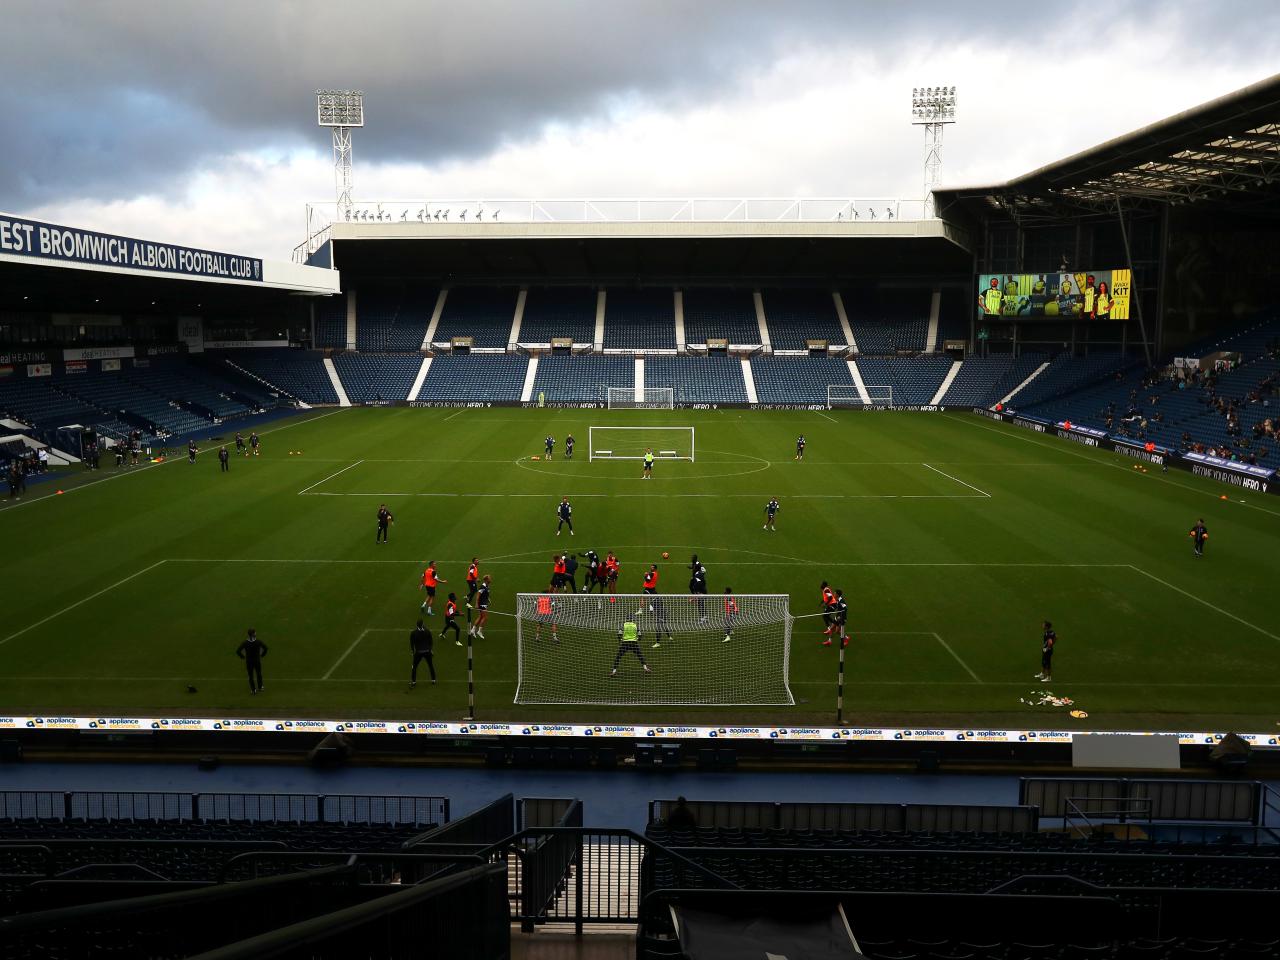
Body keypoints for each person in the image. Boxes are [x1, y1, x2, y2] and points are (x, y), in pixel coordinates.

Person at [236, 628, 268, 694]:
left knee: (250, 676)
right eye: (255, 632)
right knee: (259, 674)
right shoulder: (258, 642)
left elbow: (238, 651)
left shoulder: (245, 643)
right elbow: (266, 648)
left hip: (249, 662)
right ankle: (260, 686)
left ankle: (253, 690)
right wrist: (262, 655)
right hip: (257, 661)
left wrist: (242, 657)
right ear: (253, 634)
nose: (256, 633)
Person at [409, 619, 435, 687]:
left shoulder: (413, 633)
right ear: (423, 624)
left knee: (414, 667)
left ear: (416, 625)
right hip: (427, 651)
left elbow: (412, 643)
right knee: (431, 666)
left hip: (419, 652)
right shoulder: (427, 631)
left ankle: (414, 681)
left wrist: (412, 651)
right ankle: (433, 680)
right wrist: (430, 649)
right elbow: (431, 641)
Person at [689, 554, 708, 621]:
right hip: (701, 590)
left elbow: (699, 584)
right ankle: (704, 617)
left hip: (702, 592)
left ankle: (704, 618)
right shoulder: (698, 573)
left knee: (700, 604)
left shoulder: (698, 573)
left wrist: (694, 597)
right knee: (700, 604)